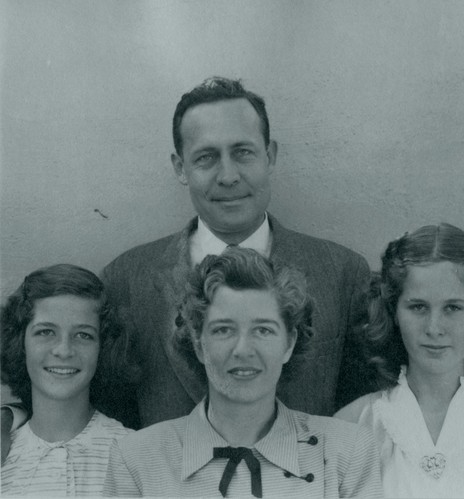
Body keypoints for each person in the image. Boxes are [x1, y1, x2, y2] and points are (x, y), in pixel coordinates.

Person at [99, 76, 371, 429]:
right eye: (206, 158)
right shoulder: (126, 279)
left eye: (243, 152)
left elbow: (361, 414)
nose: (228, 176)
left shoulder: (342, 272)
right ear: (180, 167)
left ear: (270, 156)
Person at [103, 248, 382, 498]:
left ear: (289, 343)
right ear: (199, 343)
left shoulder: (347, 453)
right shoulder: (137, 460)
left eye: (263, 330)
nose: (243, 349)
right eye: (224, 329)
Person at [335, 224, 464, 498]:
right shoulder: (354, 424)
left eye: (453, 308)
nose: (434, 328)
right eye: (418, 307)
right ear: (394, 311)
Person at [1, 264, 136, 496]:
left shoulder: (135, 454)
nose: (64, 351)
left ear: (103, 347)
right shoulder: (5, 455)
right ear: (19, 342)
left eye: (84, 335)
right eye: (45, 332)